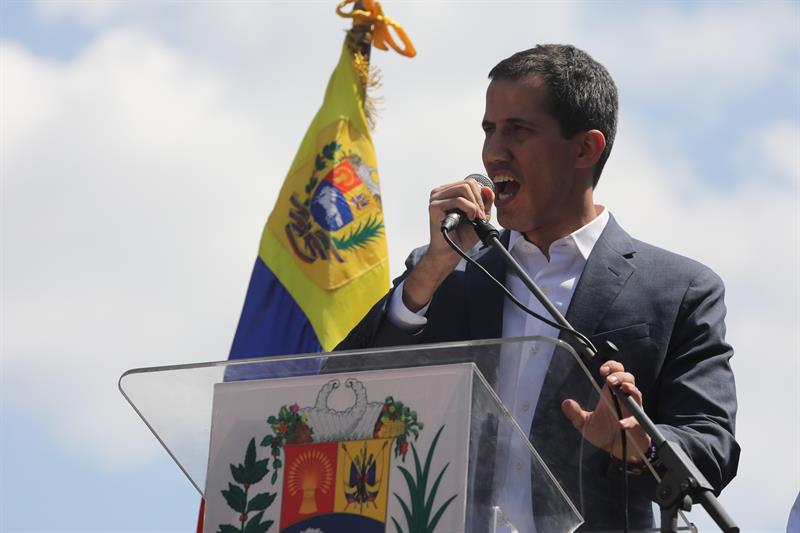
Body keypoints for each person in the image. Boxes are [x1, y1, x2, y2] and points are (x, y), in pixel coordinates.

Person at [338, 44, 739, 530]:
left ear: (585, 148)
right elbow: (340, 392)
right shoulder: (449, 270)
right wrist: (429, 272)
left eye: (518, 130)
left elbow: (710, 444)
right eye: (488, 129)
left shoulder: (679, 289)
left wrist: (635, 443)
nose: (493, 151)